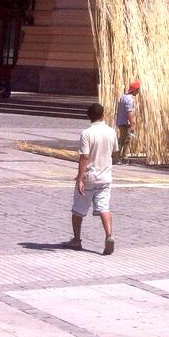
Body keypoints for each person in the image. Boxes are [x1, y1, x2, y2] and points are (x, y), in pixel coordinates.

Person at [69, 102, 118, 255]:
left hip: (90, 176)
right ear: (103, 115)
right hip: (105, 177)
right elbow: (115, 154)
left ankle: (77, 240)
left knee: (78, 209)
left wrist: (79, 178)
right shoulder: (111, 132)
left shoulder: (87, 133)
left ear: (89, 116)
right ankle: (109, 235)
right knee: (104, 207)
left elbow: (84, 157)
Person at [114, 81, 140, 164]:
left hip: (121, 121)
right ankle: (116, 158)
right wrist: (132, 124)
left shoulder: (123, 97)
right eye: (138, 90)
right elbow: (129, 113)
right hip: (126, 123)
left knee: (125, 140)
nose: (139, 92)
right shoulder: (130, 99)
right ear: (135, 90)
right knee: (123, 140)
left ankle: (123, 157)